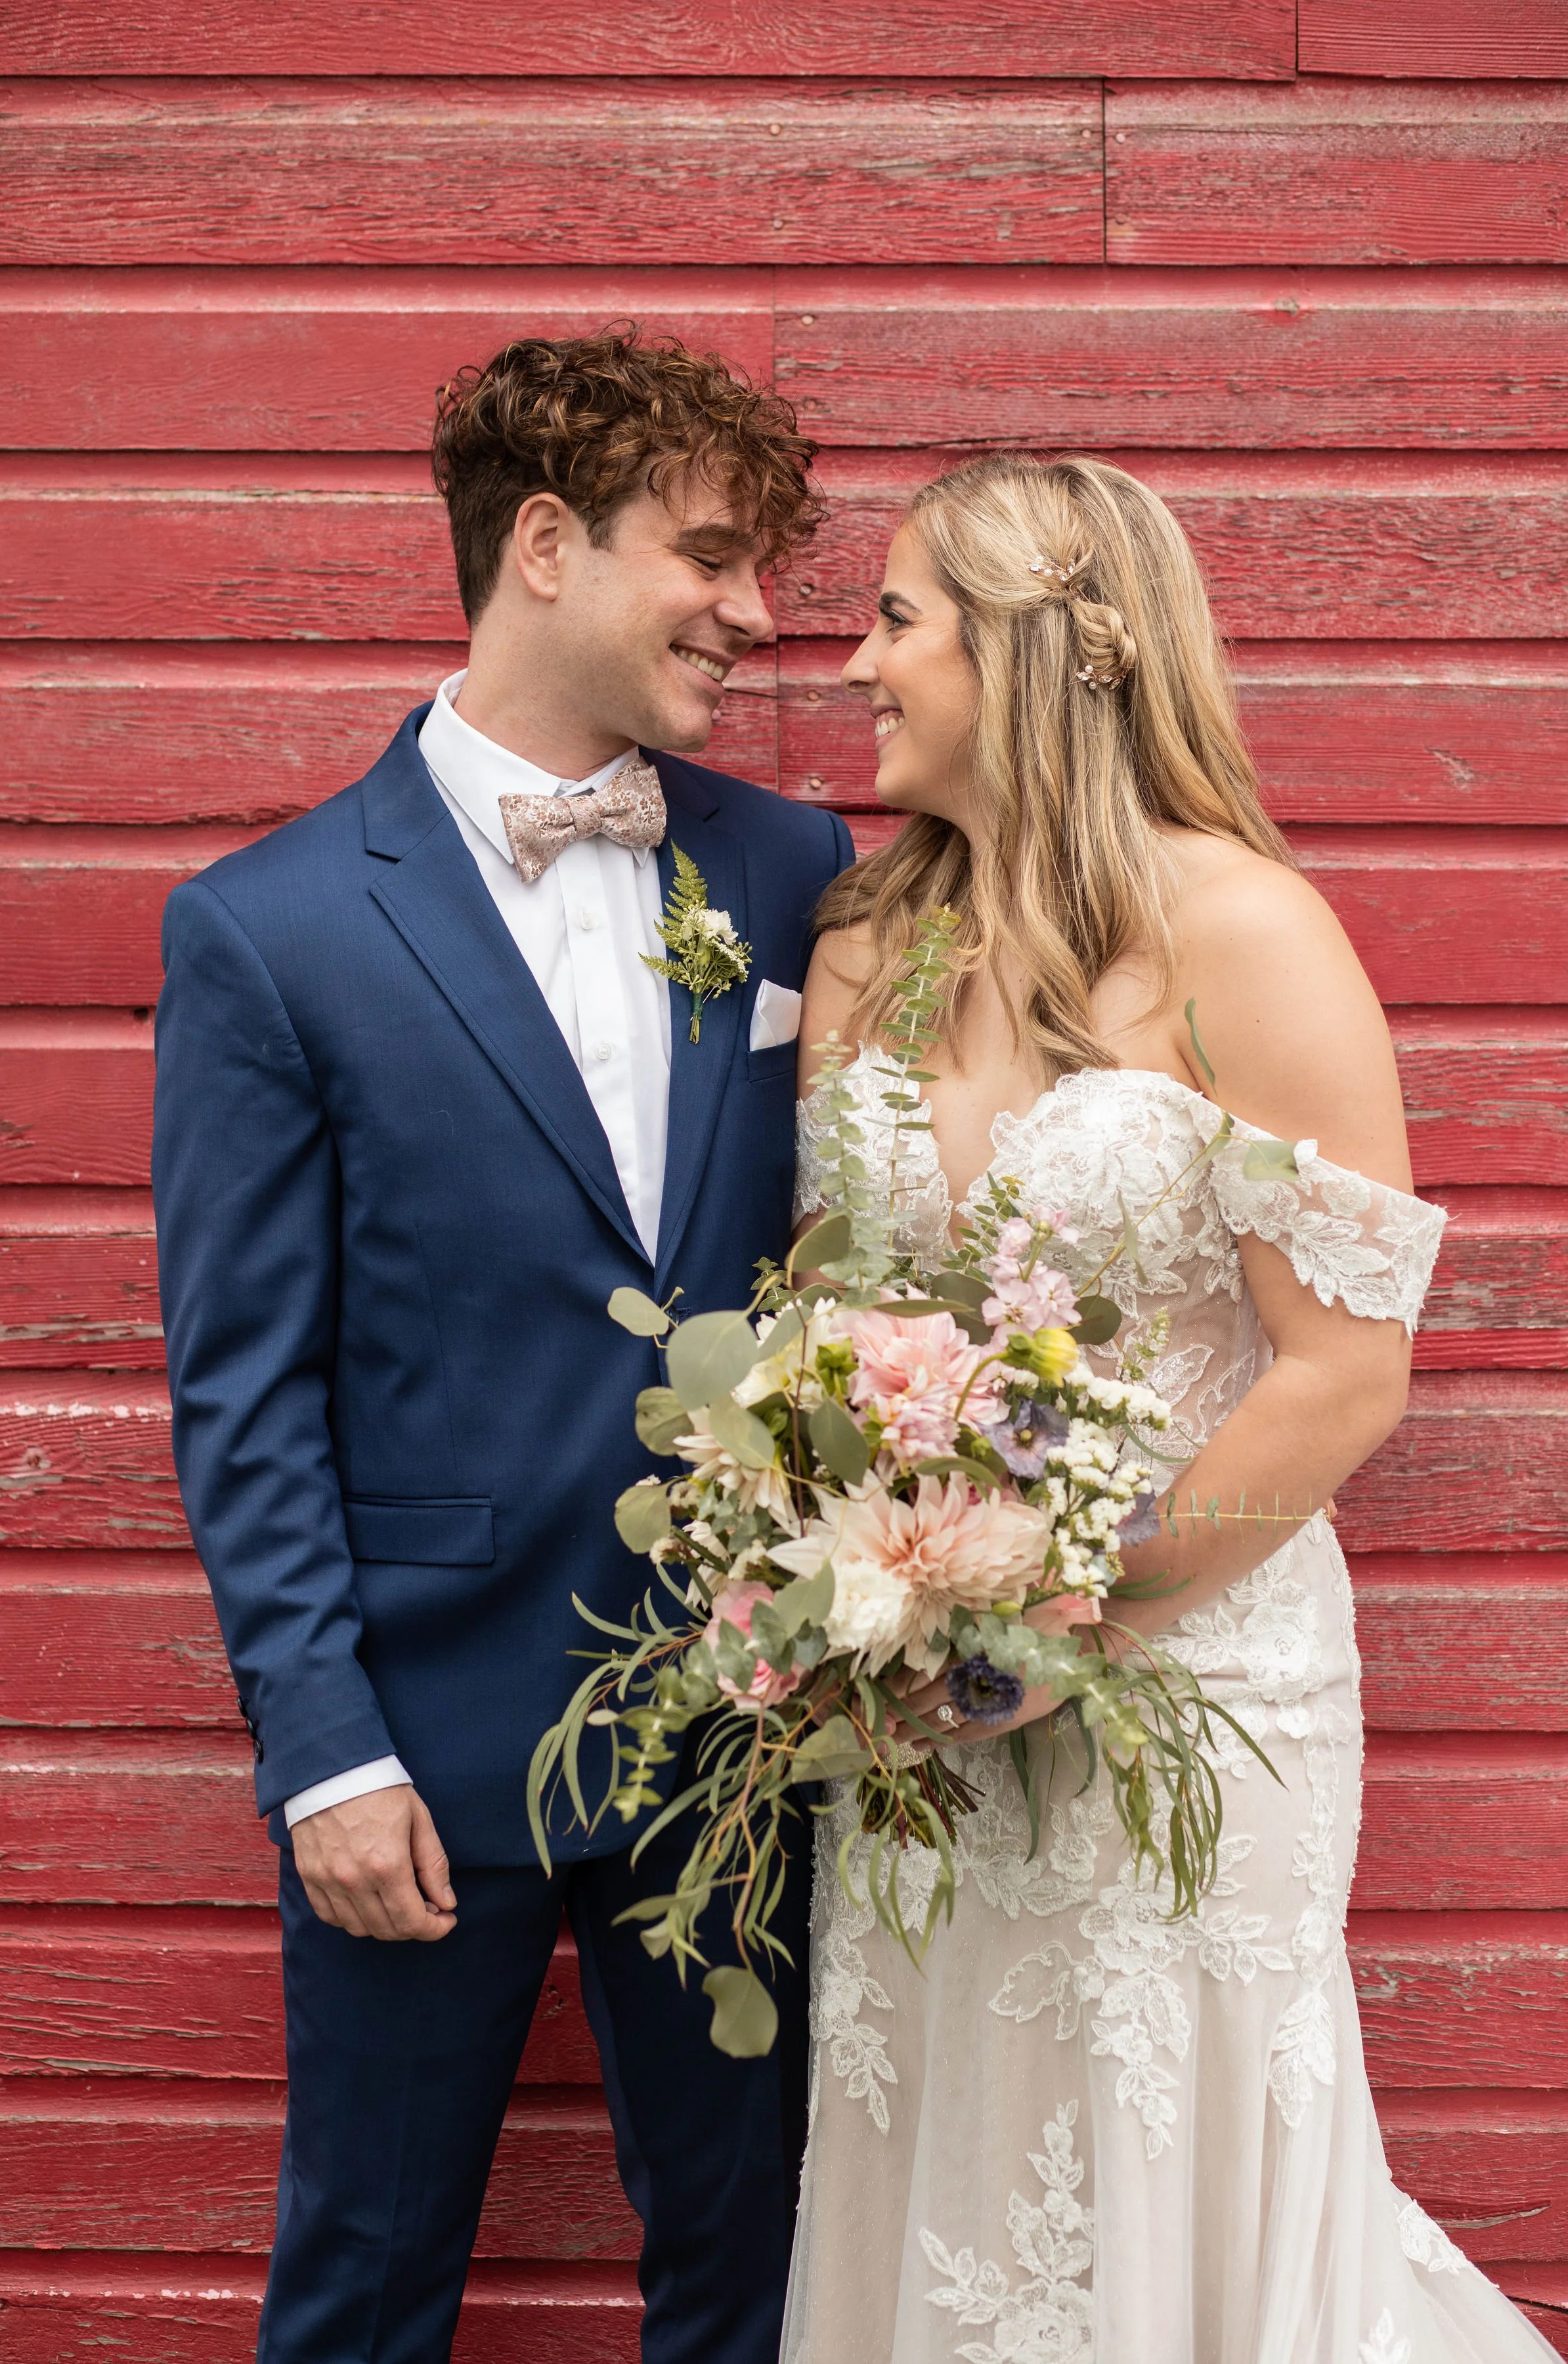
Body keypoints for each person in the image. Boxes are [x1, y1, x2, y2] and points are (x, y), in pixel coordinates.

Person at [782, 453, 1554, 2363]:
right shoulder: (869, 944)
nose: (856, 664)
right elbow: (823, 1317)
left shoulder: (1248, 937)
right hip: (916, 1718)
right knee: (946, 2168)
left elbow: (1346, 1363)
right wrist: (844, 1580)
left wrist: (1083, 1616)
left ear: (1040, 652)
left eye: (896, 619)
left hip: (1195, 1688)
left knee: (1160, 2179)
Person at [152, 327, 854, 2364]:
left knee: (755, 2272)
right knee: (368, 2286)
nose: (756, 611)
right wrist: (322, 1749)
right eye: (711, 555)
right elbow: (245, 1383)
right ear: (544, 543)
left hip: (741, 1726)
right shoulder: (269, 929)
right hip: (421, 1743)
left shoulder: (792, 873)